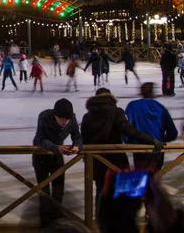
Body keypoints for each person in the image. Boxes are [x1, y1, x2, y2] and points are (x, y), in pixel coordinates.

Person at [81, 88, 162, 217]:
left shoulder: (87, 116)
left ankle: (101, 221)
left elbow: (83, 139)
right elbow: (129, 131)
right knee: (121, 191)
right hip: (115, 161)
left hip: (96, 161)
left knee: (101, 190)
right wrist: (150, 139)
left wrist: (86, 159)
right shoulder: (116, 112)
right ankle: (122, 221)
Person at [33, 99, 82, 228]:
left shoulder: (71, 119)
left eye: (67, 120)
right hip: (41, 158)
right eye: (61, 119)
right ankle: (45, 226)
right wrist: (56, 148)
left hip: (57, 158)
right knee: (43, 193)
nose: (65, 122)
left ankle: (57, 225)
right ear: (55, 115)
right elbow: (39, 139)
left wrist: (77, 146)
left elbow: (77, 135)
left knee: (58, 192)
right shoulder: (44, 117)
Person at [125, 82, 178, 171]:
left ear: (141, 92)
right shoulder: (160, 107)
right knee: (155, 177)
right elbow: (172, 131)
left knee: (141, 177)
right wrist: (163, 140)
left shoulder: (133, 106)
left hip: (140, 147)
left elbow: (127, 126)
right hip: (157, 148)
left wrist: (130, 141)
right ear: (153, 92)